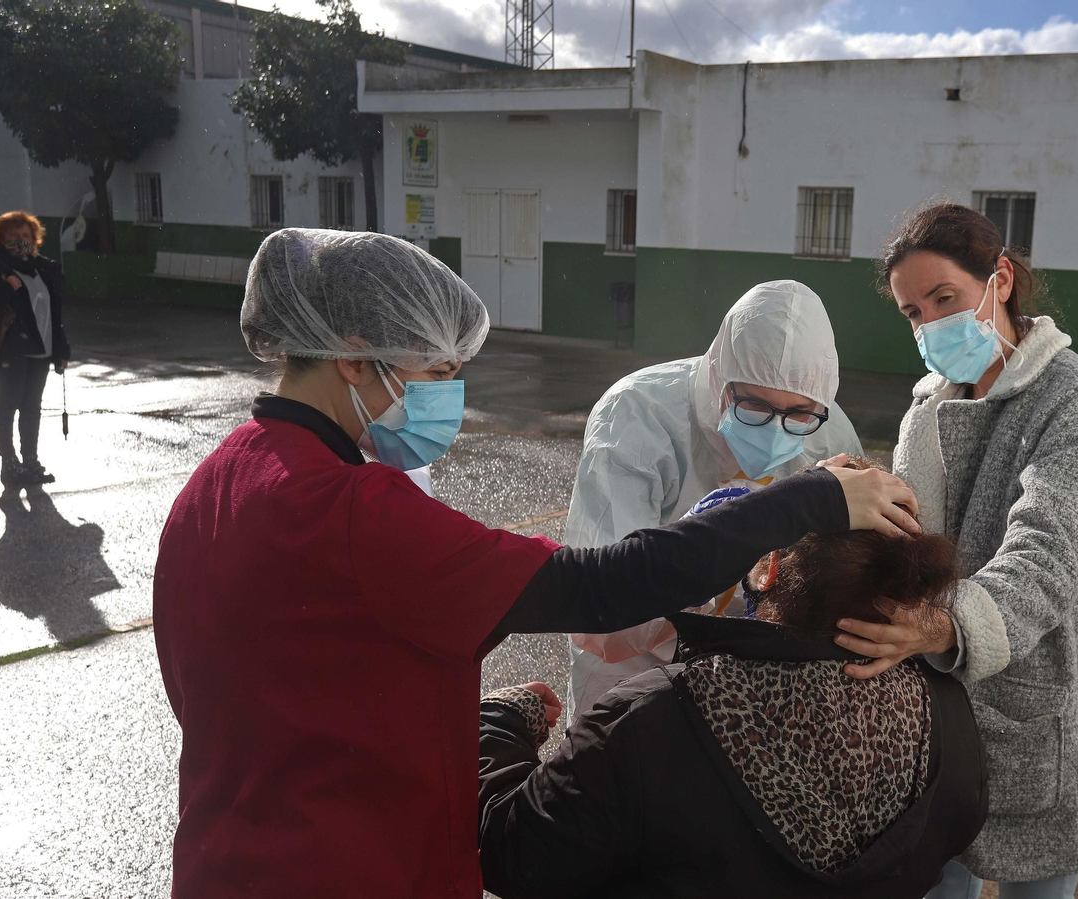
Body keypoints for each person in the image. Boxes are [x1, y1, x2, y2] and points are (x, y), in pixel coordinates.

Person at [151, 229, 919, 898]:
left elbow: (273, 670)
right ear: (356, 357)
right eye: (439, 372)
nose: (451, 395)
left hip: (236, 850)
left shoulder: (217, 481)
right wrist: (805, 503)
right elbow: (600, 585)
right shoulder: (354, 512)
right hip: (355, 865)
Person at [475, 460, 988, 899]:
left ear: (767, 570)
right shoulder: (946, 710)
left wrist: (498, 726)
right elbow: (960, 820)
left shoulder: (651, 720)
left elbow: (514, 853)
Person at [834, 203, 1078, 899]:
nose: (931, 325)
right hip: (943, 717)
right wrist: (853, 499)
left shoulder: (1076, 398)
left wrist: (939, 625)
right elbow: (915, 539)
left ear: (998, 280)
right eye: (913, 312)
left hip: (1048, 715)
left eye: (945, 298)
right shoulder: (926, 410)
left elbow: (1043, 558)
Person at [562, 280, 864, 721]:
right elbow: (598, 611)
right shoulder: (636, 415)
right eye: (755, 405)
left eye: (798, 414)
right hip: (628, 680)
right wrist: (701, 572)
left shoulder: (828, 432)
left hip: (749, 686)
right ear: (719, 377)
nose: (777, 429)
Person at [0, 212, 71, 486]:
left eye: (25, 236)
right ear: (0, 239)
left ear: (34, 239)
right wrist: (5, 288)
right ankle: (9, 465)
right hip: (6, 351)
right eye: (13, 236)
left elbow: (53, 312)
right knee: (6, 406)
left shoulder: (42, 268)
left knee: (32, 408)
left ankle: (30, 462)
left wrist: (62, 349)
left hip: (40, 350)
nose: (20, 241)